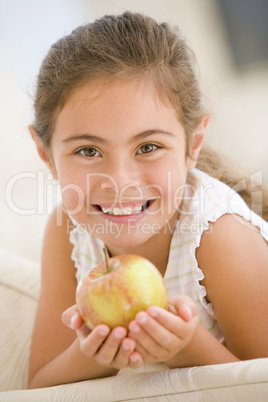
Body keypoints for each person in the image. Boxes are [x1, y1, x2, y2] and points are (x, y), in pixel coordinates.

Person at [28, 11, 268, 389]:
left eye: (148, 147)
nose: (120, 182)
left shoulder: (221, 238)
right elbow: (38, 387)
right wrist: (91, 355)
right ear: (46, 155)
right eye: (89, 151)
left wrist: (187, 348)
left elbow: (259, 386)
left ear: (194, 143)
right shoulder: (68, 230)